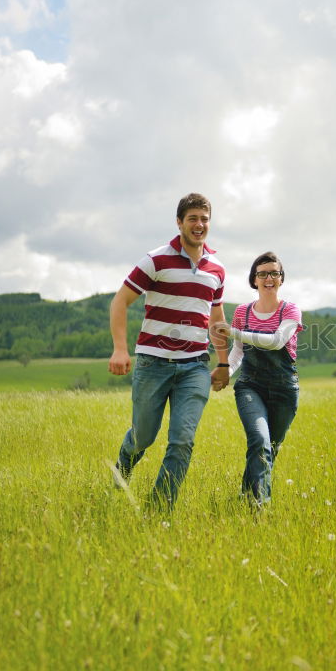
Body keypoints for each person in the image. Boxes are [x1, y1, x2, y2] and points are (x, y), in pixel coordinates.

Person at [108, 192, 230, 511]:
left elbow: (216, 319)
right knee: (143, 438)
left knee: (182, 441)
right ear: (179, 223)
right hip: (153, 363)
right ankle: (122, 469)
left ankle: (158, 511)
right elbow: (120, 301)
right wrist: (120, 349)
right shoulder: (156, 259)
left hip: (195, 368)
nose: (199, 224)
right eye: (192, 218)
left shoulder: (217, 269)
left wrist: (224, 363)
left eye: (204, 219)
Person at [212, 251, 302, 512]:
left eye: (274, 273)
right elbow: (238, 351)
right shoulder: (243, 312)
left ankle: (245, 498)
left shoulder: (291, 310)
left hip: (284, 388)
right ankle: (259, 509)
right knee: (259, 440)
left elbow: (277, 341)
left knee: (270, 449)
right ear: (254, 279)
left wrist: (234, 331)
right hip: (251, 386)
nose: (269, 278)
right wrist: (226, 372)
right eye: (262, 273)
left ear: (282, 278)